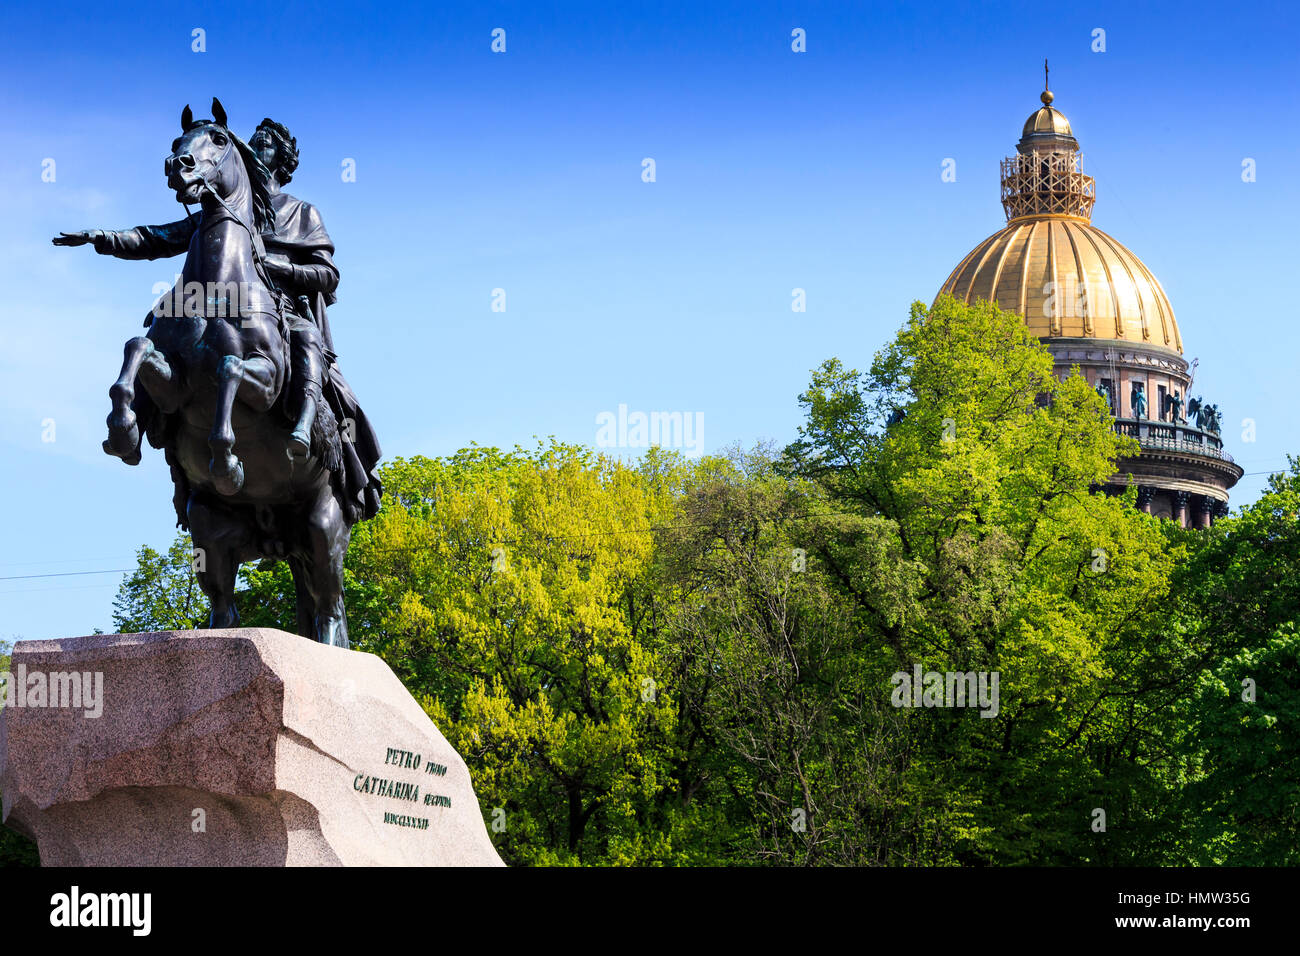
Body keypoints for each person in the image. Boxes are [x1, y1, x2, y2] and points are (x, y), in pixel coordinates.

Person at [54, 117, 381, 523]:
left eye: (265, 142)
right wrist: (102, 237)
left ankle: (319, 437)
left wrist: (279, 266)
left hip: (277, 306)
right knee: (160, 329)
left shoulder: (300, 212)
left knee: (308, 339)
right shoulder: (216, 209)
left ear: (282, 159)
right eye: (253, 139)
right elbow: (157, 237)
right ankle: (136, 422)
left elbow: (328, 275)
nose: (255, 144)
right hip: (208, 303)